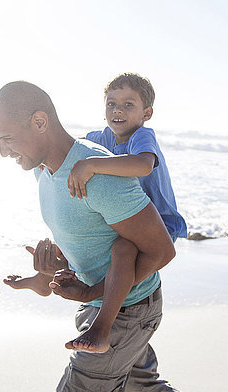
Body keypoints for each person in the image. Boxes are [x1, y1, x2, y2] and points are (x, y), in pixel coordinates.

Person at [0, 81, 182, 392]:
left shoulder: (98, 175)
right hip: (99, 304)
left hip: (127, 309)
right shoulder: (43, 170)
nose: (3, 151)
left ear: (39, 122)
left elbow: (161, 251)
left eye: (7, 139)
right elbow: (89, 231)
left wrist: (94, 291)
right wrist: (57, 262)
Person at [62, 73, 187, 354]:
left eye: (128, 104)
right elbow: (70, 146)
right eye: (111, 104)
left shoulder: (142, 135)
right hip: (127, 219)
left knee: (123, 248)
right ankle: (48, 281)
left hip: (159, 224)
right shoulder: (100, 137)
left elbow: (143, 165)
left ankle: (101, 325)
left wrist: (92, 164)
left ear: (147, 113)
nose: (117, 110)